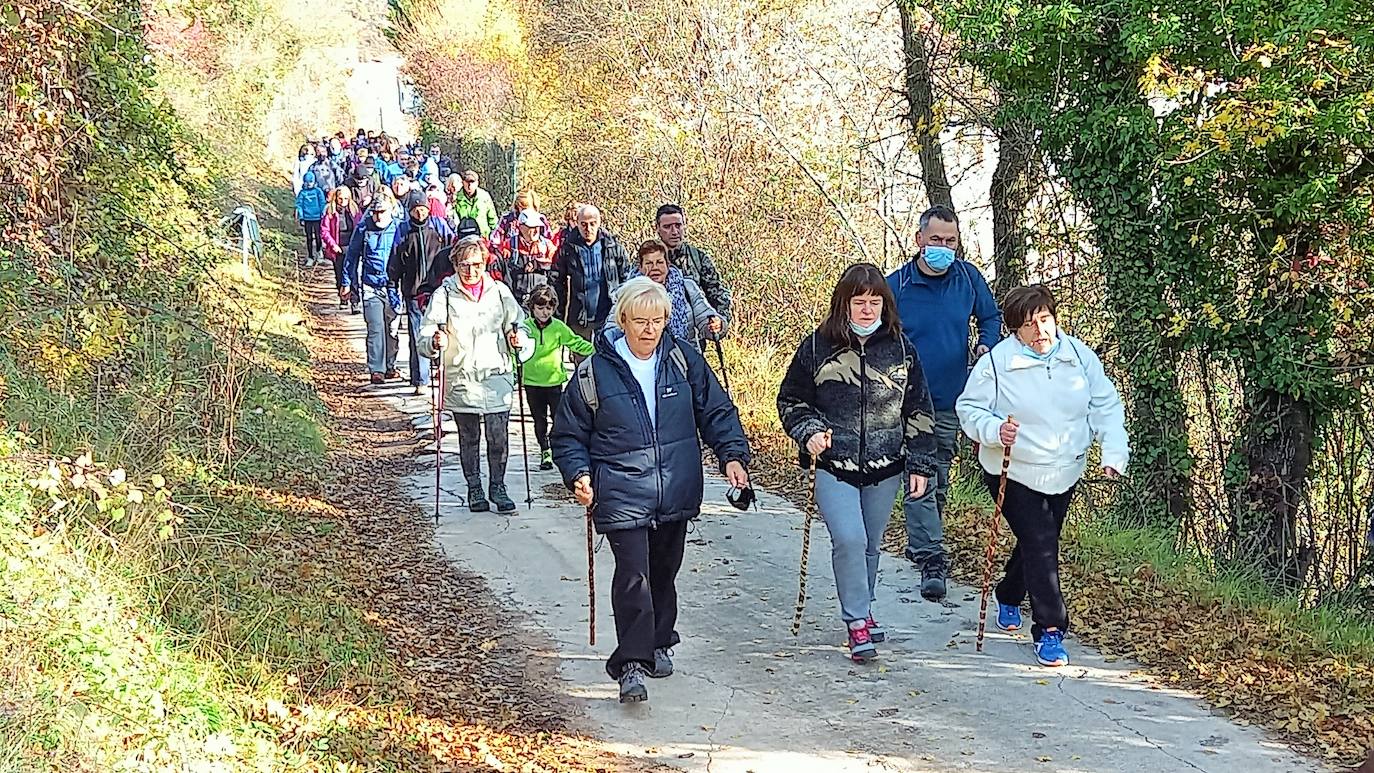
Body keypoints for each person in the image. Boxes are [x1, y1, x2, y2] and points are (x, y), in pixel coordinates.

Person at [550, 276, 751, 704]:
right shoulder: (594, 372)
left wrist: (732, 455)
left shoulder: (682, 359)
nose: (649, 329)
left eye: (658, 320)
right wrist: (578, 474)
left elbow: (715, 409)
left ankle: (660, 640)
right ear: (622, 320)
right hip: (621, 489)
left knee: (664, 570)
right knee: (634, 576)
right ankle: (632, 664)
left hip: (674, 486)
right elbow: (567, 435)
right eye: (640, 321)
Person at [955, 284, 1128, 668]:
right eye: (1029, 325)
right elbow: (969, 409)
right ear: (1014, 330)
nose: (1040, 331)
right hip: (1013, 469)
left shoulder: (1079, 357)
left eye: (1045, 320)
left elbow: (1106, 406)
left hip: (1065, 468)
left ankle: (1009, 592)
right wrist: (994, 430)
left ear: (1055, 318)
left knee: (1038, 542)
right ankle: (1050, 629)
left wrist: (1114, 451)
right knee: (1041, 540)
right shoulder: (997, 364)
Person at [776, 262, 938, 661]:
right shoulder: (817, 346)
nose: (867, 309)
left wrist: (920, 464)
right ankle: (857, 621)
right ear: (843, 304)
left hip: (887, 464)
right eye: (858, 301)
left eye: (874, 301)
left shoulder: (901, 348)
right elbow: (791, 400)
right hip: (835, 464)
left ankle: (862, 609)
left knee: (870, 544)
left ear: (885, 304)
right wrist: (809, 430)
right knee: (849, 538)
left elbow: (919, 410)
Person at [886, 204, 1002, 601]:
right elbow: (876, 334)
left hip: (955, 398)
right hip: (907, 402)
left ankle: (921, 541)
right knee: (920, 474)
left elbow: (991, 317)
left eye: (950, 241)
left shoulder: (968, 279)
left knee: (938, 476)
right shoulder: (896, 286)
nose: (942, 247)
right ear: (919, 239)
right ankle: (932, 557)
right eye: (935, 240)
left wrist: (987, 345)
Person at [417, 237, 525, 514]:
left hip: (495, 374)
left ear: (485, 263)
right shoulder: (444, 294)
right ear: (454, 264)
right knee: (469, 437)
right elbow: (426, 333)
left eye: (476, 264)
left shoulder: (499, 291)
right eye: (464, 265)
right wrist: (434, 341)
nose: (471, 270)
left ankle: (498, 487)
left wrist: (518, 338)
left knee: (498, 436)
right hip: (462, 374)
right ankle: (474, 488)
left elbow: (518, 323)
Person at [519, 285, 593, 470]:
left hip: (554, 382)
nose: (545, 312)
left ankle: (558, 448)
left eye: (549, 308)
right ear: (532, 308)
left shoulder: (558, 327)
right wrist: (513, 370)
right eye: (540, 307)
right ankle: (545, 450)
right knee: (539, 419)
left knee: (559, 417)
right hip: (531, 382)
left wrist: (597, 350)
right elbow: (516, 351)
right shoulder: (525, 328)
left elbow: (575, 342)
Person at [389, 191, 455, 395]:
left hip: (439, 290)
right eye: (416, 208)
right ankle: (420, 378)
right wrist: (393, 286)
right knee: (418, 333)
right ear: (410, 210)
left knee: (443, 333)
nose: (420, 212)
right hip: (413, 291)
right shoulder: (402, 231)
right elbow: (395, 261)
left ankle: (442, 373)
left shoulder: (439, 226)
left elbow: (453, 249)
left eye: (423, 208)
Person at [342, 196, 402, 384]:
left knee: (391, 329)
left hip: (393, 286)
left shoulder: (399, 228)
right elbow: (351, 255)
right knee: (375, 328)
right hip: (370, 285)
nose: (377, 216)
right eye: (375, 212)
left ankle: (390, 365)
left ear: (390, 211)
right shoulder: (363, 228)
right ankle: (377, 369)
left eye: (381, 212)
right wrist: (346, 282)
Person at [625, 240, 725, 350]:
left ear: (667, 264)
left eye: (659, 262)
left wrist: (715, 325)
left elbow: (704, 315)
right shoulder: (628, 292)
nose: (654, 267)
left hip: (685, 360)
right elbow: (613, 326)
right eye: (648, 263)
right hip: (644, 360)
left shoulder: (687, 287)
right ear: (640, 267)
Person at [550, 204, 629, 343]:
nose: (588, 229)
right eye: (584, 224)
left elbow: (626, 277)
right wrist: (558, 316)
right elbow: (556, 282)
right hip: (578, 317)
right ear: (577, 223)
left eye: (592, 224)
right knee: (581, 362)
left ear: (599, 223)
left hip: (608, 315)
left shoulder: (612, 246)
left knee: (607, 360)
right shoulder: (567, 249)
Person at [654, 204, 733, 325]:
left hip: (693, 338)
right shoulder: (647, 260)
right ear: (657, 228)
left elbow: (717, 294)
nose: (674, 232)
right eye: (667, 227)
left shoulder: (698, 258)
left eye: (678, 225)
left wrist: (719, 322)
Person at [499, 208, 557, 305]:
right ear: (521, 227)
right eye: (531, 227)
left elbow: (557, 265)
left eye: (537, 227)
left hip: (541, 302)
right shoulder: (509, 245)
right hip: (517, 300)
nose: (535, 231)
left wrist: (538, 264)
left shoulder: (547, 245)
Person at [321, 186, 361, 312]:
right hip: (337, 247)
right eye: (340, 198)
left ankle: (355, 301)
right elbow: (324, 230)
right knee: (340, 274)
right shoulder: (330, 211)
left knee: (353, 274)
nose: (343, 201)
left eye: (346, 198)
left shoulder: (354, 211)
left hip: (352, 246)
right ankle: (343, 298)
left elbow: (360, 227)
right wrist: (332, 245)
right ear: (336, 198)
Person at [450, 169, 499, 236]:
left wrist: (494, 235)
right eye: (467, 182)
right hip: (464, 238)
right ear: (463, 182)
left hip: (483, 238)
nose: (469, 185)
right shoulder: (456, 198)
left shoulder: (484, 196)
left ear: (477, 183)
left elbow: (492, 219)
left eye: (472, 182)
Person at [294, 171, 327, 266]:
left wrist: (322, 214)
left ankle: (319, 253)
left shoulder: (318, 191)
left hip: (317, 218)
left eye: (310, 182)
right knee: (309, 238)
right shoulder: (302, 193)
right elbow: (299, 205)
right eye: (306, 182)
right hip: (307, 219)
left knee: (318, 236)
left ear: (314, 182)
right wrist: (301, 217)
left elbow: (322, 203)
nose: (308, 184)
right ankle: (310, 256)